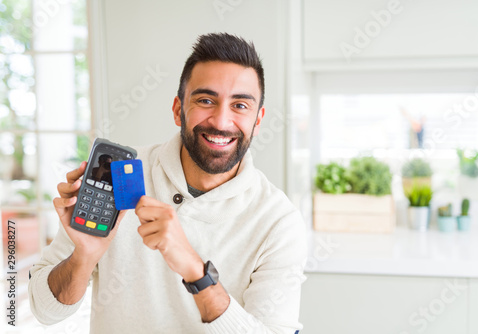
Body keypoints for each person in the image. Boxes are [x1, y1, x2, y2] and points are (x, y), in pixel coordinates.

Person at [29, 33, 307, 333]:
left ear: (258, 119)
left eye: (240, 105)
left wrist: (195, 271)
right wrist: (83, 256)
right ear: (178, 109)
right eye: (205, 100)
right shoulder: (118, 177)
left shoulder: (279, 222)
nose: (221, 121)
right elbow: (45, 312)